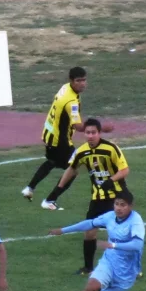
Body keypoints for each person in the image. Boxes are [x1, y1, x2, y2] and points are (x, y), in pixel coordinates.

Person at [47, 190, 144, 291]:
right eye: (116, 204)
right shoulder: (110, 217)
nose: (118, 208)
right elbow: (89, 223)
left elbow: (137, 245)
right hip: (109, 263)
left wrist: (113, 246)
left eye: (123, 205)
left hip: (126, 273)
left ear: (131, 206)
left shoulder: (136, 221)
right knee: (91, 287)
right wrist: (63, 230)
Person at [41, 118, 131, 275]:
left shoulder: (111, 149)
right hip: (97, 198)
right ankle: (88, 268)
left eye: (93, 133)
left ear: (99, 133)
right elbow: (72, 169)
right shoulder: (82, 151)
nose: (90, 136)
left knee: (120, 234)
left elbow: (124, 170)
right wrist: (58, 189)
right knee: (89, 231)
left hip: (116, 197)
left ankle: (132, 269)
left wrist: (111, 181)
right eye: (87, 133)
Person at [21, 67, 88, 204]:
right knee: (73, 170)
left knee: (52, 162)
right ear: (71, 81)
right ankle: (50, 200)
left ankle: (29, 188)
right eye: (78, 81)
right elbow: (78, 127)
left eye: (84, 80)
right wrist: (100, 127)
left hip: (49, 133)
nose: (82, 83)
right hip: (60, 141)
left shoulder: (65, 88)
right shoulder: (71, 103)